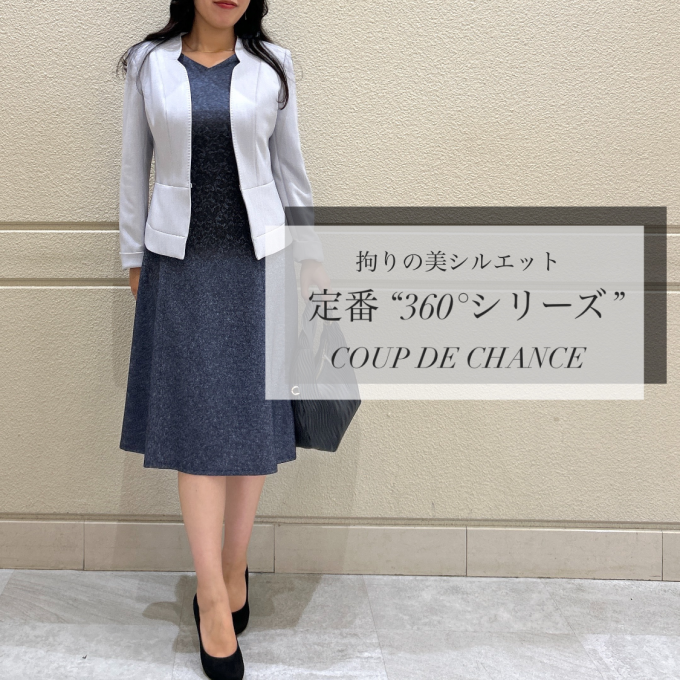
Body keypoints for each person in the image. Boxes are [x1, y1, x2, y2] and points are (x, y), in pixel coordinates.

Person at [116, 1, 329, 678]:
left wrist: (312, 256)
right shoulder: (149, 64)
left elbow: (290, 169)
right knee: (199, 427)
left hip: (259, 263)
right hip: (180, 264)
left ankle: (235, 566)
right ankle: (211, 595)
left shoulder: (274, 66)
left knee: (250, 423)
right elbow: (133, 166)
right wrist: (132, 255)